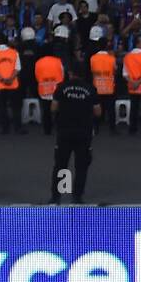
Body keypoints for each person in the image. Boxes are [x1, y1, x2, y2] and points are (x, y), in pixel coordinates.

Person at [50, 58, 100, 204]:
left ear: (70, 72)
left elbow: (53, 107)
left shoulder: (61, 87)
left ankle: (57, 196)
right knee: (81, 165)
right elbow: (97, 111)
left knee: (61, 164)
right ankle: (77, 196)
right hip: (83, 132)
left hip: (65, 131)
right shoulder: (90, 89)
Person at [0, 39, 23, 133]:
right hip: (13, 84)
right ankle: (18, 127)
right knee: (15, 107)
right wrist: (11, 79)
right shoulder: (14, 52)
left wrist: (3, 80)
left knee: (2, 108)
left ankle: (5, 128)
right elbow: (18, 68)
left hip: (0, 85)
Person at [34, 47, 65, 135]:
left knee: (46, 111)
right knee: (59, 110)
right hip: (57, 89)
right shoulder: (58, 61)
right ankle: (59, 128)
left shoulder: (38, 62)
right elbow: (62, 74)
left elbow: (36, 76)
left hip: (44, 90)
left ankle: (47, 130)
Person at [90, 38, 118, 134]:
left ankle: (96, 128)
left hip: (97, 86)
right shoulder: (112, 58)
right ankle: (112, 129)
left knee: (96, 108)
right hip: (109, 87)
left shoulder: (93, 58)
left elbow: (92, 71)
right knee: (111, 110)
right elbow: (115, 70)